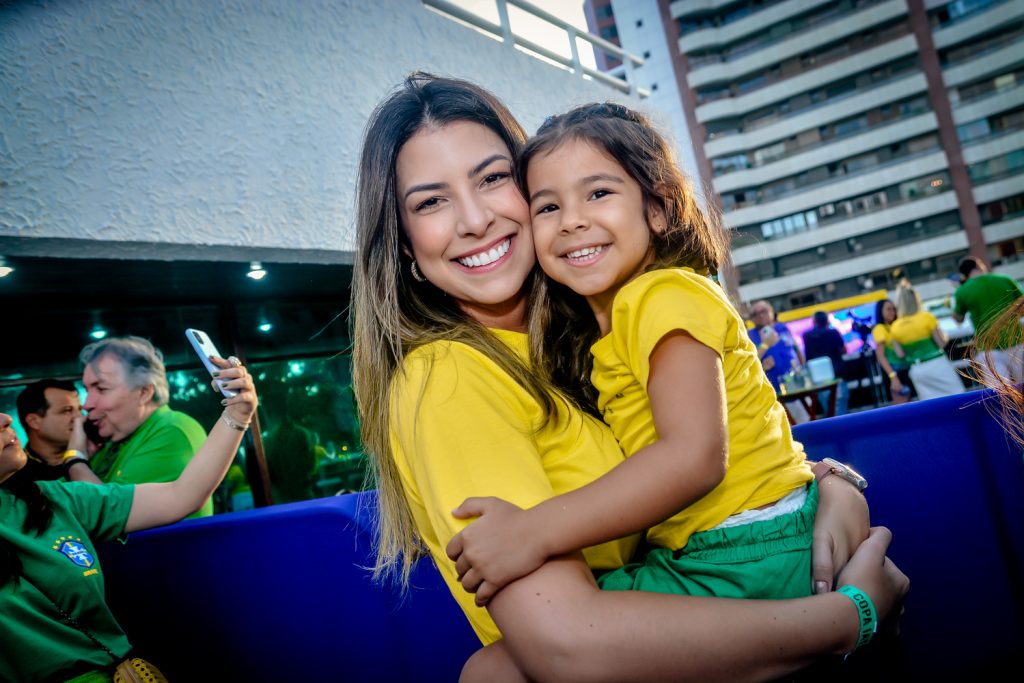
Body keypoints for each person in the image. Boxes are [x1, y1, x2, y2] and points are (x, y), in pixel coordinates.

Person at [351, 73, 907, 682]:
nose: (475, 219)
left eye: (492, 179)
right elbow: (569, 645)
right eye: (431, 201)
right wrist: (849, 616)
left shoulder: (588, 333)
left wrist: (831, 487)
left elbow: (715, 448)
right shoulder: (447, 378)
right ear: (403, 245)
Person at [447, 101, 827, 615]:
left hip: (745, 547)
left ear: (660, 207)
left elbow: (693, 457)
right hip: (724, 547)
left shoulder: (661, 296)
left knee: (534, 645)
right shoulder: (615, 323)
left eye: (599, 193)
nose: (572, 222)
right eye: (548, 207)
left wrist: (532, 531)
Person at [0, 355, 256, 682]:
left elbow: (181, 495)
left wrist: (237, 413)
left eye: (101, 388)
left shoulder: (52, 497)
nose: (6, 419)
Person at [69, 336, 212, 517]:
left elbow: (105, 513)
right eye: (87, 390)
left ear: (144, 392)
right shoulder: (116, 438)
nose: (87, 404)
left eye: (102, 389)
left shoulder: (172, 431)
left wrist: (75, 459)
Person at [952, 256, 1023, 386]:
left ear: (964, 274)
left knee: (1001, 393)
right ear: (979, 265)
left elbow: (958, 318)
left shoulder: (962, 291)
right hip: (1017, 341)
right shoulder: (1005, 279)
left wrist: (958, 289)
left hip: (988, 349)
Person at [889, 280, 965, 400]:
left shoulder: (895, 327)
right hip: (937, 364)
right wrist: (944, 336)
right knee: (958, 396)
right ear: (915, 299)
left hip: (917, 369)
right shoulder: (927, 317)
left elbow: (900, 354)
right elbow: (941, 343)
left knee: (931, 405)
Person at [13, 379, 82, 483]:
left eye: (80, 409)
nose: (79, 417)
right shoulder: (14, 473)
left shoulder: (98, 455)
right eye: (67, 410)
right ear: (34, 421)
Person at [748, 299, 805, 392]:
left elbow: (796, 349)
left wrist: (803, 368)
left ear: (771, 311)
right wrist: (765, 346)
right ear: (752, 318)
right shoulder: (750, 336)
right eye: (755, 314)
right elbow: (749, 363)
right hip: (773, 390)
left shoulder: (782, 328)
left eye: (763, 311)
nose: (760, 316)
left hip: (796, 383)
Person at [802, 311, 850, 416]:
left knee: (829, 410)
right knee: (840, 408)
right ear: (827, 321)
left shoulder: (807, 336)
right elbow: (844, 350)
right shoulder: (833, 333)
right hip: (837, 375)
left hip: (819, 379)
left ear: (814, 322)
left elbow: (807, 356)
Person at [871, 299, 914, 404]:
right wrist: (893, 377)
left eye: (894, 309)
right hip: (894, 373)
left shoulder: (895, 326)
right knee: (902, 410)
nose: (892, 312)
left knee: (911, 407)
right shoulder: (880, 328)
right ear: (880, 311)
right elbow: (880, 356)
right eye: (888, 309)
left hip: (905, 370)